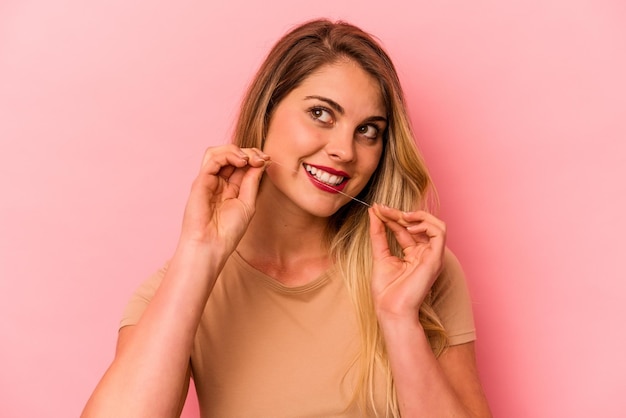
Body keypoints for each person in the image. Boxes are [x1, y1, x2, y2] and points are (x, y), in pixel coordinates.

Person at [82, 18, 492, 418]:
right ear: (266, 113)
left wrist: (400, 320)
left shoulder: (415, 272)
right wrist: (199, 254)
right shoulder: (177, 290)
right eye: (321, 114)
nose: (345, 150)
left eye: (368, 130)